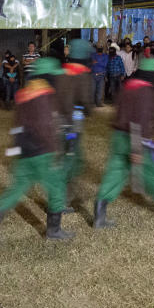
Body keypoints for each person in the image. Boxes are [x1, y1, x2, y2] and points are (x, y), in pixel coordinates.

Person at [0, 57, 75, 243]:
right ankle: (54, 231)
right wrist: (55, 149)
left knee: (16, 189)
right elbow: (46, 126)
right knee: (57, 187)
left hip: (24, 151)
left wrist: (16, 148)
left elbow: (18, 125)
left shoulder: (24, 94)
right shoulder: (45, 95)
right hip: (42, 152)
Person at [94, 59, 154, 228]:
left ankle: (99, 214)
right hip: (136, 138)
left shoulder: (127, 87)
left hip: (118, 136)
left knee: (115, 173)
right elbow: (140, 119)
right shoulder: (146, 92)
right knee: (152, 172)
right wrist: (136, 148)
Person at [55, 39, 95, 210]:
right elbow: (86, 101)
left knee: (66, 157)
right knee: (71, 159)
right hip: (73, 123)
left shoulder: (62, 71)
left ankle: (65, 194)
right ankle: (60, 200)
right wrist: (88, 110)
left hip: (58, 122)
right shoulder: (83, 75)